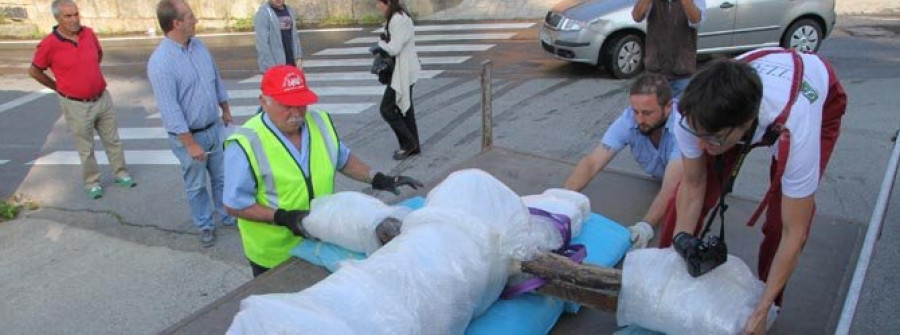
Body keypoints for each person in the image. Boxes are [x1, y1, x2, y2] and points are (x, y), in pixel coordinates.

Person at [659, 48, 846, 334]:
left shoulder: (796, 128)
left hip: (816, 97)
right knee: (697, 188)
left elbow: (792, 232)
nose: (700, 145)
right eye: (697, 133)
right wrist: (677, 257)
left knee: (776, 224)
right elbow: (694, 185)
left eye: (710, 138)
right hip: (742, 102)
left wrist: (762, 311)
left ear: (746, 126)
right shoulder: (693, 113)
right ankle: (664, 272)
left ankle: (765, 309)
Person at [223, 65, 423, 277]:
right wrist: (282, 217)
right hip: (276, 255)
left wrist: (378, 178)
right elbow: (235, 205)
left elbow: (342, 158)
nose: (296, 113)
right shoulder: (245, 143)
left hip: (322, 242)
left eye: (301, 104)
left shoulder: (318, 121)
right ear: (264, 101)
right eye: (286, 105)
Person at [148, 0, 235, 247]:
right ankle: (205, 224)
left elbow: (214, 78)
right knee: (196, 185)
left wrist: (225, 109)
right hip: (190, 137)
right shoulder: (161, 62)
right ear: (176, 23)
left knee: (222, 177)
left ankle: (227, 214)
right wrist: (190, 144)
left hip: (214, 127)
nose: (195, 20)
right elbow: (170, 108)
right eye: (189, 16)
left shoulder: (199, 46)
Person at [29, 0, 136, 200]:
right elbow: (34, 71)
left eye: (76, 14)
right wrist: (57, 87)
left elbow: (98, 55)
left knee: (113, 140)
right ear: (57, 19)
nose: (74, 19)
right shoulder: (49, 44)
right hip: (76, 104)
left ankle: (121, 174)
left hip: (102, 98)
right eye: (68, 16)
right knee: (85, 148)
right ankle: (92, 182)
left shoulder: (89, 34)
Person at [564, 73, 683, 249]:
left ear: (668, 107)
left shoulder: (682, 128)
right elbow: (593, 162)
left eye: (647, 113)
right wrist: (561, 199)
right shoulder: (629, 119)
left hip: (692, 175)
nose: (640, 119)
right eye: (636, 111)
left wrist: (646, 225)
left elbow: (670, 188)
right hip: (664, 173)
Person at [370, 0, 422, 160]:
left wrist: (379, 45)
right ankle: (414, 145)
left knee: (386, 108)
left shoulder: (397, 19)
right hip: (405, 68)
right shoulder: (398, 16)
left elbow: (394, 48)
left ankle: (409, 144)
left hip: (404, 70)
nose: (377, 6)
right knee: (404, 108)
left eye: (379, 2)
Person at [632, 0, 707, 97]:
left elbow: (696, 20)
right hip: (655, 69)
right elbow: (637, 16)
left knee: (680, 110)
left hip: (682, 70)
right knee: (655, 109)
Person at [254, 0, 303, 72]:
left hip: (291, 64)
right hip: (274, 66)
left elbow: (294, 35)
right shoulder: (263, 13)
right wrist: (271, 67)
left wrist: (298, 57)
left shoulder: (289, 10)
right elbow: (262, 43)